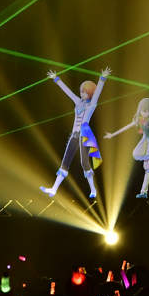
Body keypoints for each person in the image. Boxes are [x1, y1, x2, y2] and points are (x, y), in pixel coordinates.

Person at [41, 67, 111, 199]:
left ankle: (93, 189)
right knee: (65, 161)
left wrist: (102, 79)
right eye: (81, 92)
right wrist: (56, 79)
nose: (82, 94)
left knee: (84, 162)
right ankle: (54, 189)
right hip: (74, 135)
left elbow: (97, 93)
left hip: (84, 136)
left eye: (85, 93)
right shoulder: (78, 102)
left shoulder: (92, 105)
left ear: (90, 94)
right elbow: (68, 92)